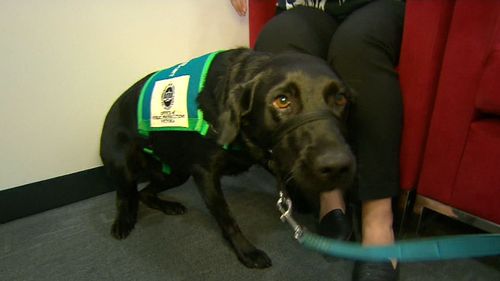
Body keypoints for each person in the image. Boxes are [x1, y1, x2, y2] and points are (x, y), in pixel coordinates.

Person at [231, 0, 404, 280]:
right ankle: (329, 193)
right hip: (312, 5)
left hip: (378, 4)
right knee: (277, 39)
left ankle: (377, 220)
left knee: (356, 46)